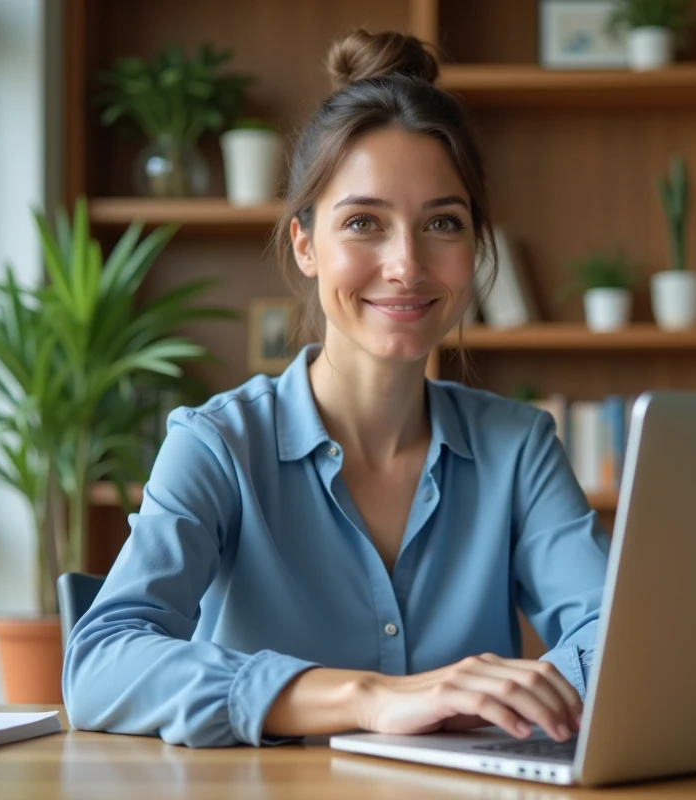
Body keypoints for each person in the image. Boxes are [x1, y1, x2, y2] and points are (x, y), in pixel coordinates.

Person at [62, 28, 609, 749]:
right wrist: (371, 697)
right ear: (305, 245)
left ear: (475, 248)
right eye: (363, 223)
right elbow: (100, 664)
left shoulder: (519, 446)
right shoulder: (217, 444)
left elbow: (613, 636)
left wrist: (485, 702)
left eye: (442, 222)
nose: (406, 264)